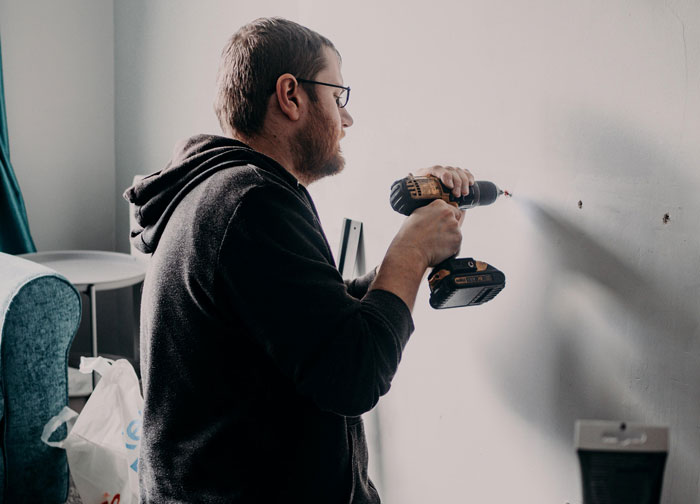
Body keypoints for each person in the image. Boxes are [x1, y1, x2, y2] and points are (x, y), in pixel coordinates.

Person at [124, 17, 474, 504]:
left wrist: (409, 252)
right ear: (291, 96)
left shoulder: (221, 192)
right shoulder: (252, 202)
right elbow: (353, 372)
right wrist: (411, 251)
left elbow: (305, 326)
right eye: (338, 96)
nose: (347, 119)